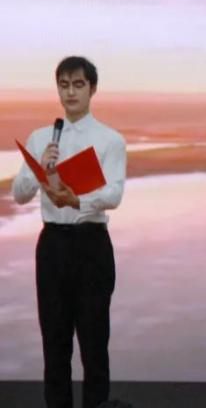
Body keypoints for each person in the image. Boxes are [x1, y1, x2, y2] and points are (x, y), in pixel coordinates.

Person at [12, 56, 127, 408]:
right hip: (53, 245)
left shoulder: (110, 139)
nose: (70, 92)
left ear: (92, 89)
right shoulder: (40, 138)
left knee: (94, 345)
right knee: (54, 344)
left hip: (91, 244)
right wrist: (38, 169)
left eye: (78, 85)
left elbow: (114, 194)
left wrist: (77, 199)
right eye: (64, 85)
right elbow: (19, 194)